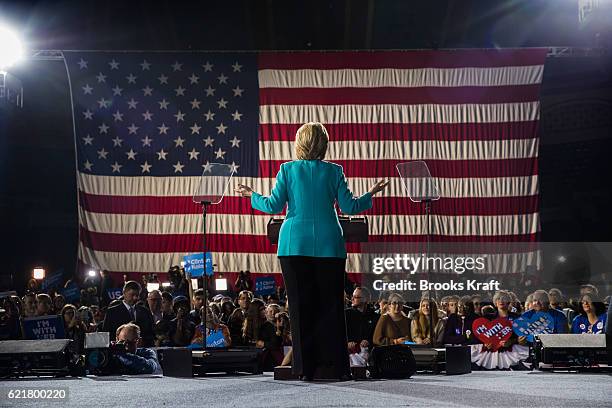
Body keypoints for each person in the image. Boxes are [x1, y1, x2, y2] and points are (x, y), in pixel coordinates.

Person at [235, 122, 389, 381]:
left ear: (300, 143)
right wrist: (370, 194)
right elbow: (349, 207)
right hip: (329, 244)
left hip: (294, 244)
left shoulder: (287, 169)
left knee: (300, 308)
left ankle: (305, 369)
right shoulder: (334, 171)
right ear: (323, 144)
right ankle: (336, 368)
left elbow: (273, 205)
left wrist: (252, 195)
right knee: (331, 308)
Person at [100, 281, 154, 346]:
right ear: (124, 293)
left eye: (137, 295)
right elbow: (106, 334)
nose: (135, 298)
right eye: (132, 295)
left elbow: (150, 332)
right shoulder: (112, 312)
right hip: (120, 351)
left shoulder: (145, 311)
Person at [345, 287, 379, 361]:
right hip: (349, 354)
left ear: (366, 299)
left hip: (369, 355)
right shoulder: (346, 314)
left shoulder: (375, 317)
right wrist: (347, 342)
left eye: (356, 297)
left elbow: (377, 336)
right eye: (352, 296)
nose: (352, 299)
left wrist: (368, 341)